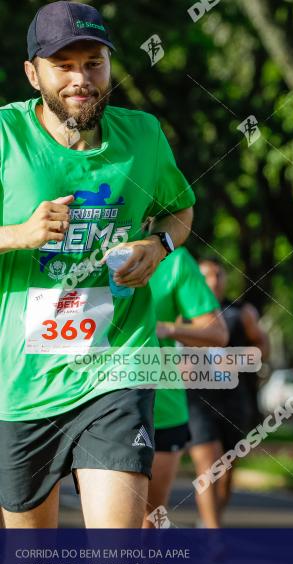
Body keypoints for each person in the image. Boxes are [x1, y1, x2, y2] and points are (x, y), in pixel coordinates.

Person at [0, 2, 194, 528]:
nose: (80, 79)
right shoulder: (5, 138)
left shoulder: (144, 136)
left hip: (119, 370)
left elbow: (179, 209)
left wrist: (158, 245)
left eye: (93, 63)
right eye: (63, 65)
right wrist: (17, 235)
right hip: (25, 382)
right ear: (32, 72)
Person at [143, 246, 228, 528]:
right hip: (91, 399)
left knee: (150, 517)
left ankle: (211, 530)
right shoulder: (85, 250)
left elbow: (218, 333)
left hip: (164, 405)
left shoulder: (176, 261)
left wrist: (168, 328)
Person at [187, 258, 269, 528]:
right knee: (207, 464)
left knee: (226, 468)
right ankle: (212, 534)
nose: (212, 281)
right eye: (205, 276)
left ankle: (211, 519)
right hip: (197, 400)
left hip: (234, 399)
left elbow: (262, 346)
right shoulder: (184, 314)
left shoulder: (240, 312)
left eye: (218, 275)